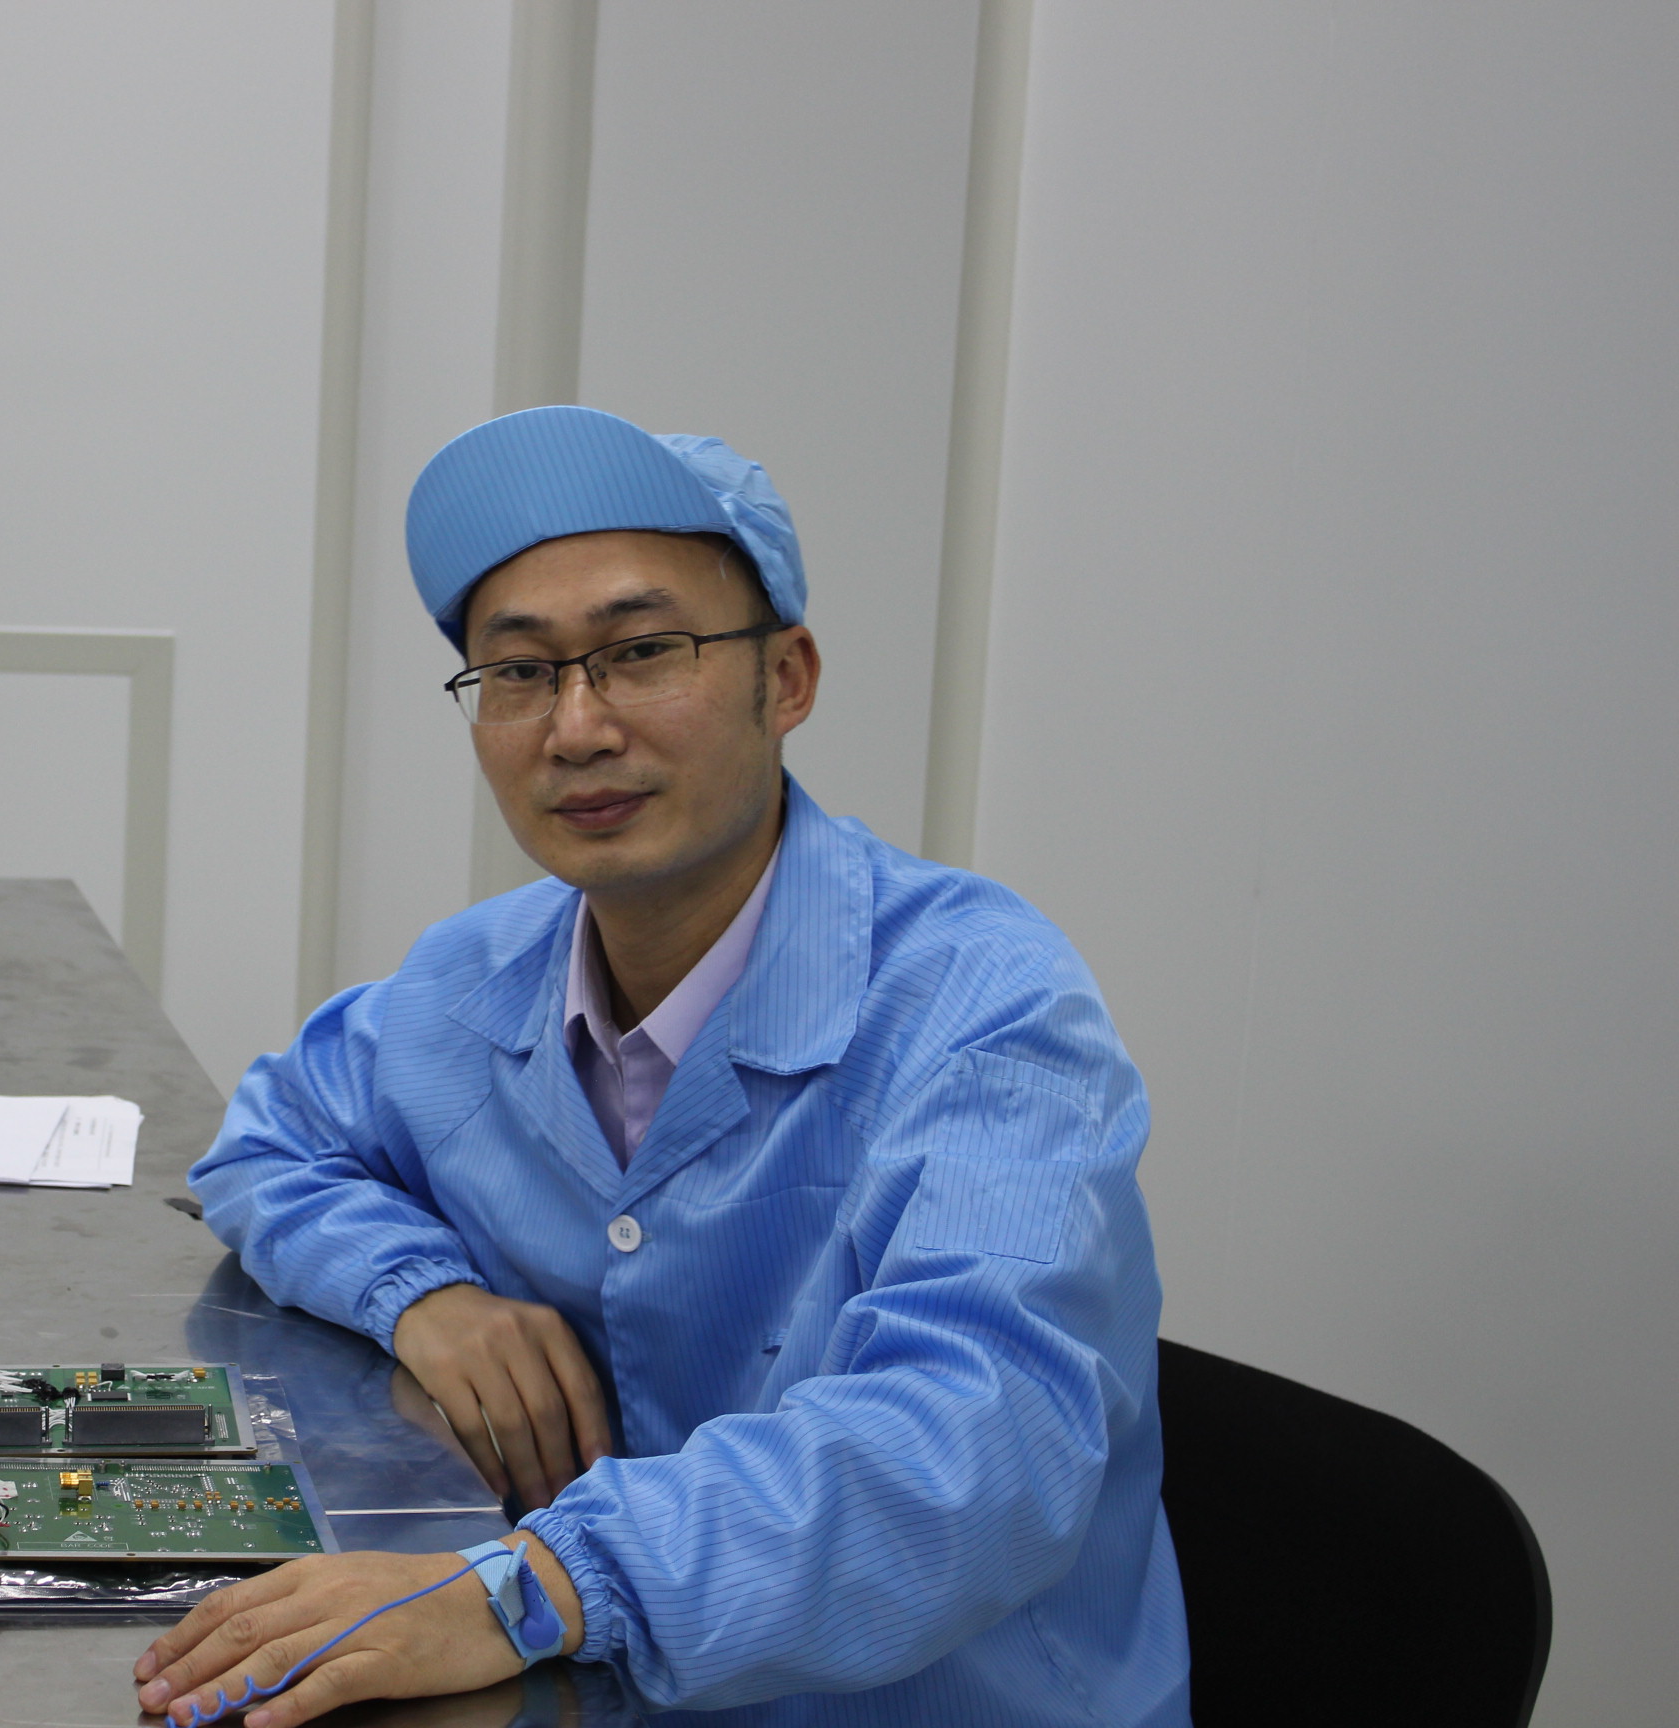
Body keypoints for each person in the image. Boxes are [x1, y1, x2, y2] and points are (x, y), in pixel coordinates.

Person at [133, 406, 1189, 1726]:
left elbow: (972, 1450)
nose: (575, 728)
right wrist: (426, 1297)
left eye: (641, 652)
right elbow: (269, 1144)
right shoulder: (475, 977)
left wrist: (534, 1587)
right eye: (519, 671)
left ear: (787, 678)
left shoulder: (985, 1007)